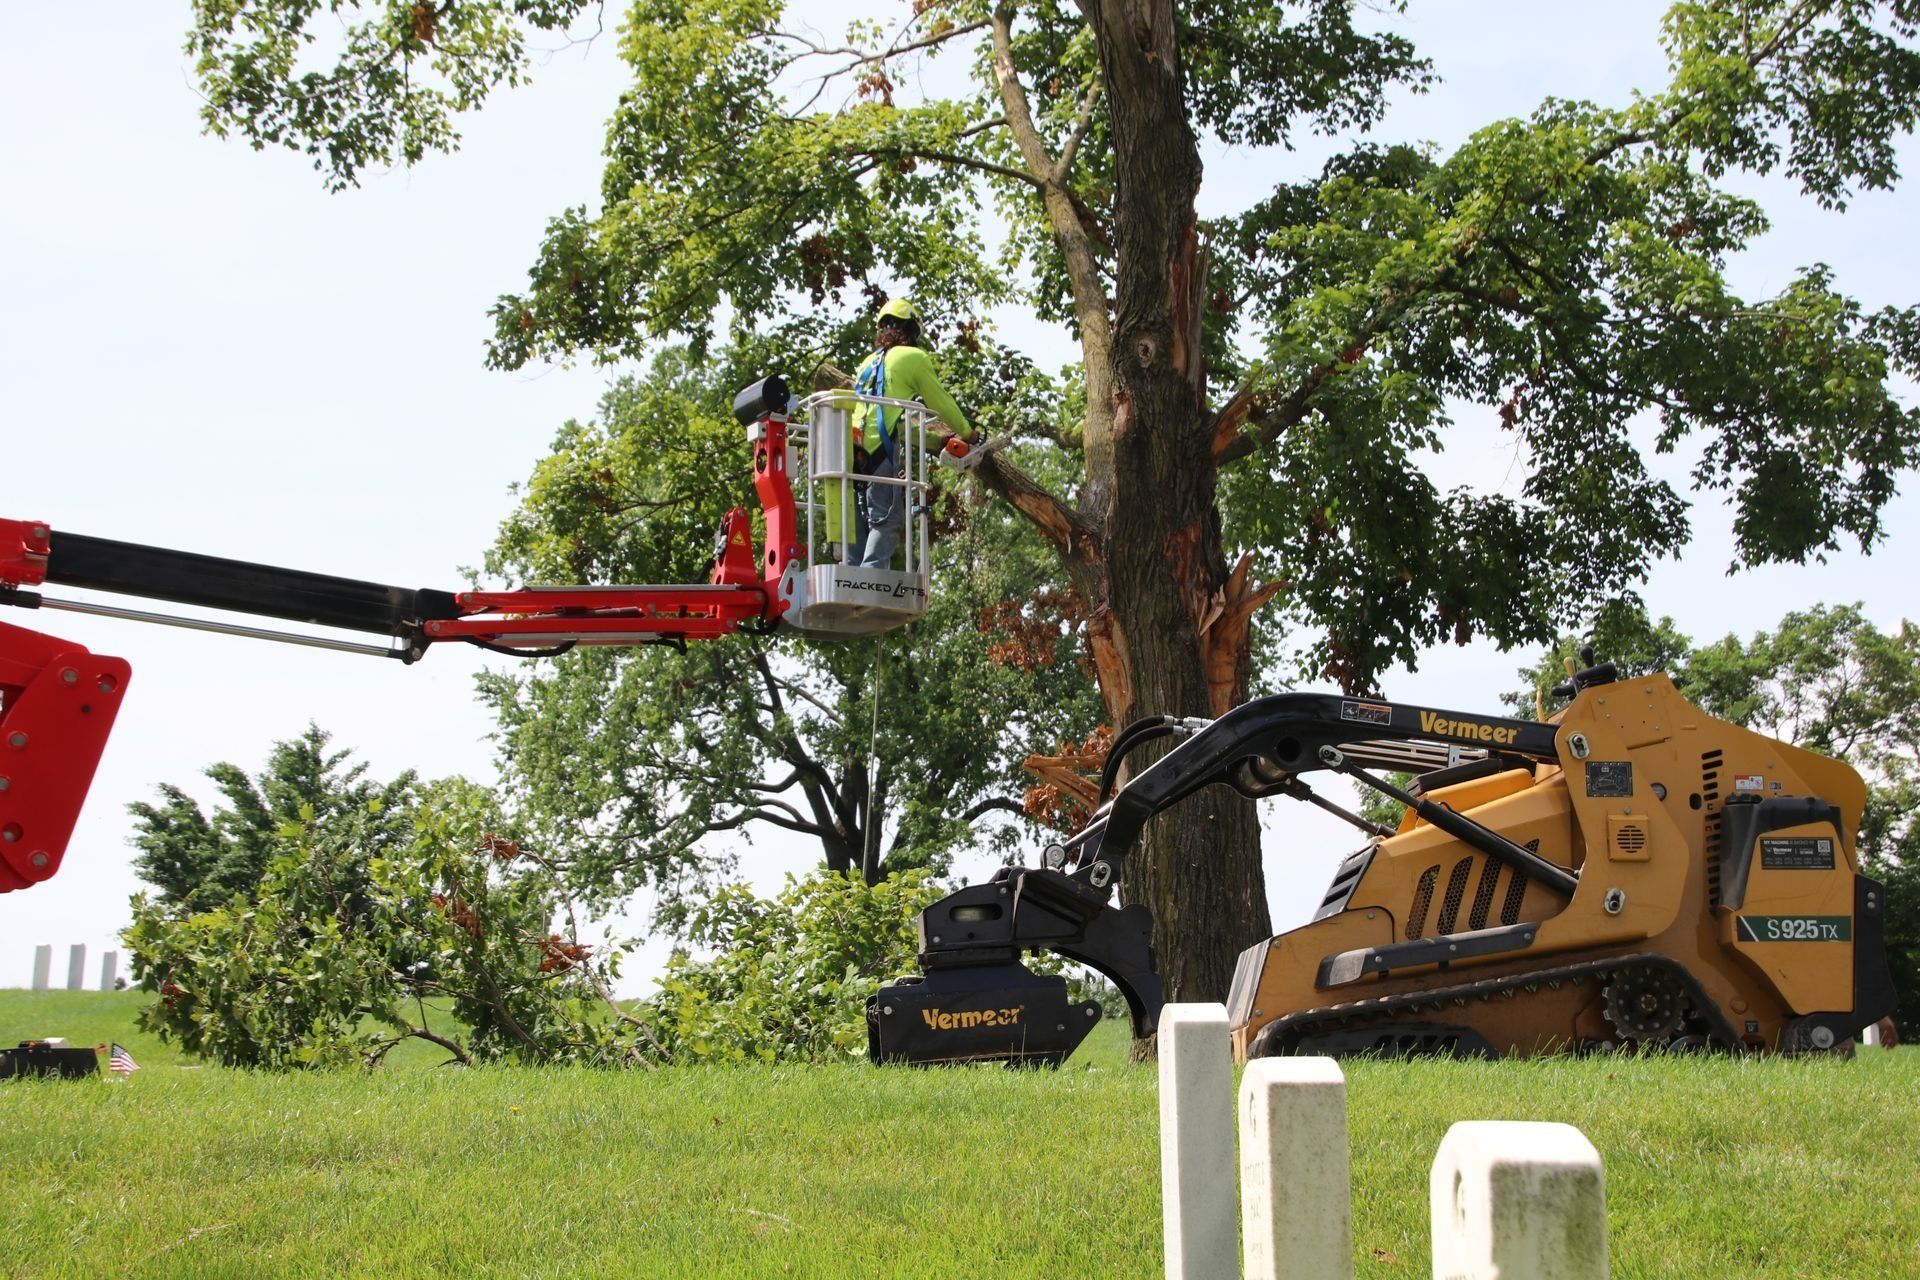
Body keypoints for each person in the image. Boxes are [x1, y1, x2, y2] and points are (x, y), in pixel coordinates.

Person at [839, 297, 973, 569]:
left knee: (857, 523)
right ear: (910, 332)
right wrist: (966, 432)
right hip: (879, 452)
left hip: (850, 450)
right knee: (886, 520)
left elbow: (896, 419)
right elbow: (941, 402)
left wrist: (936, 440)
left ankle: (852, 576)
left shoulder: (867, 364)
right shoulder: (913, 358)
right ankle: (870, 582)